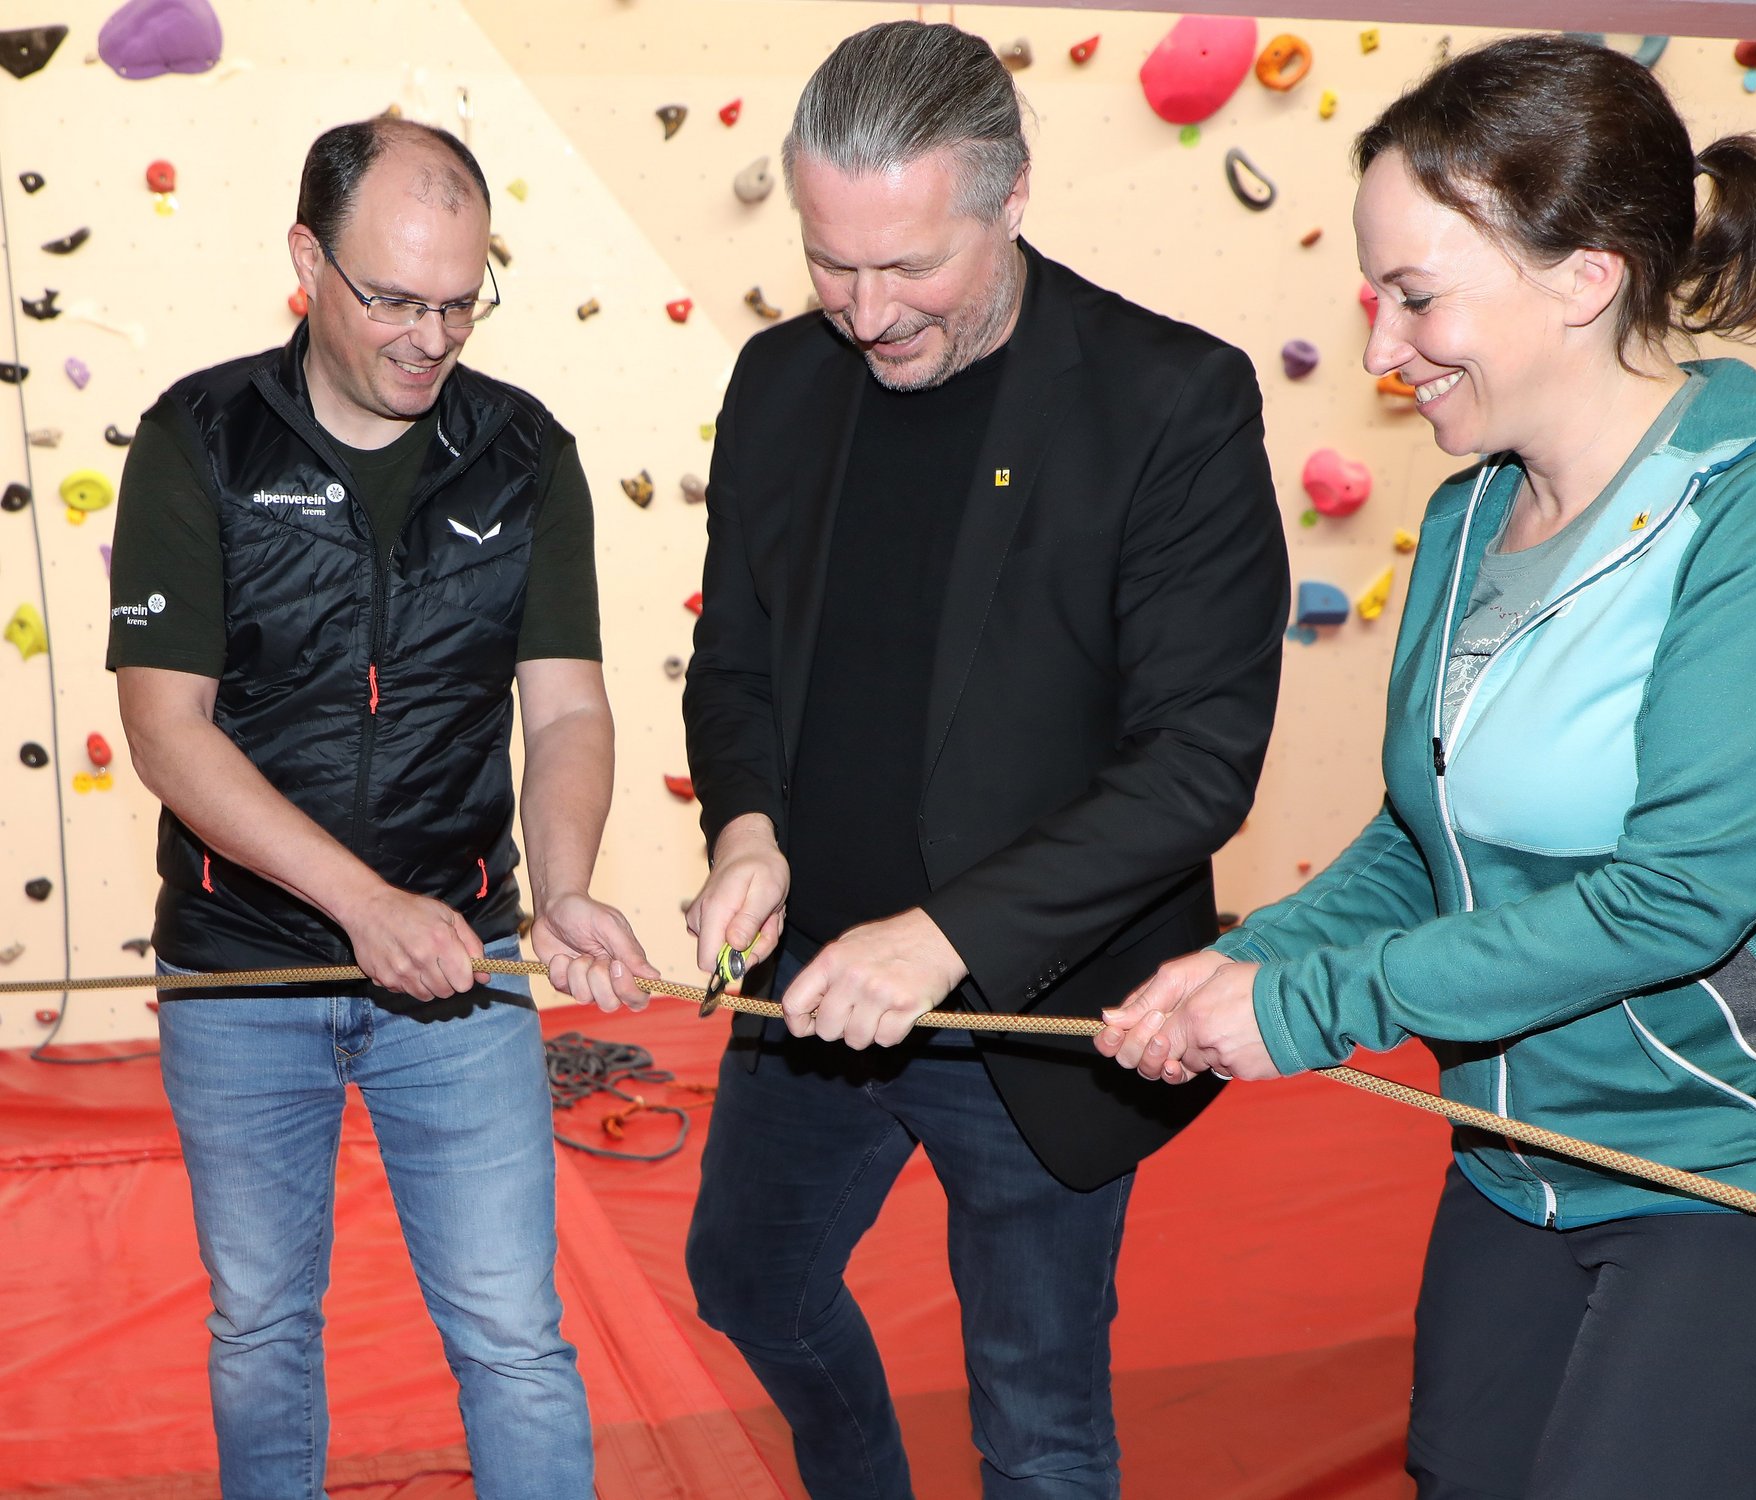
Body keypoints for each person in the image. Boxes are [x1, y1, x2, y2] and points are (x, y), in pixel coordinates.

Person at [1099, 34, 1756, 1500]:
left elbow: (1677, 899)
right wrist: (1245, 958)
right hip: (1518, 1158)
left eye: (1419, 297)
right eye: (1376, 298)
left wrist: (1308, 1006)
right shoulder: (1469, 514)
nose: (1378, 348)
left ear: (1585, 278)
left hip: (1747, 1173)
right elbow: (1427, 839)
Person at [681, 20, 1288, 1498]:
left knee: (1037, 1418)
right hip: (815, 973)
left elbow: (1199, 761)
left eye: (912, 266)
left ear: (1011, 199)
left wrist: (946, 940)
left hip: (1036, 1008)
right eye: (834, 261)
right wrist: (748, 828)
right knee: (746, 1283)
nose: (869, 309)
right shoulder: (779, 380)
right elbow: (740, 662)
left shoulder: (1171, 402)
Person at [109, 117, 655, 1500]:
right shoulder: (199, 438)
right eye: (395, 299)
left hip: (462, 968)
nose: (430, 336)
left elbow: (571, 710)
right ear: (307, 261)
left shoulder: (525, 451)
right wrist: (362, 907)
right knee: (261, 1325)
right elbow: (168, 735)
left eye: (460, 301)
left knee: (513, 1336)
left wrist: (572, 879)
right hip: (244, 970)